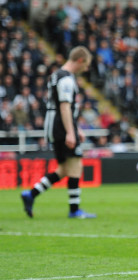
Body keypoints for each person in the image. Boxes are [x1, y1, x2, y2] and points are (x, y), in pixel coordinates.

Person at [21, 46, 96, 219]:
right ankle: (74, 210)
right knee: (76, 164)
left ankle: (31, 194)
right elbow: (64, 106)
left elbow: (64, 106)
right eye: (86, 64)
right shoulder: (66, 79)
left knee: (63, 169)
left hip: (56, 125)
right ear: (79, 60)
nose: (86, 68)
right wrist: (71, 132)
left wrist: (76, 129)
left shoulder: (57, 75)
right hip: (60, 126)